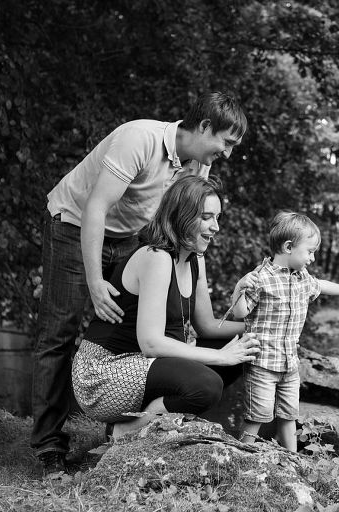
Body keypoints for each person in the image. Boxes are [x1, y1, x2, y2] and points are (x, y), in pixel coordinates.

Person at [31, 92, 247, 474]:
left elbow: (181, 216)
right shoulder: (140, 139)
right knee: (59, 333)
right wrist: (96, 281)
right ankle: (49, 446)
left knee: (139, 322)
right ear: (204, 127)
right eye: (226, 143)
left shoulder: (197, 167)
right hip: (75, 224)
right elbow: (96, 207)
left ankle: (133, 420)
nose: (227, 154)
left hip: (127, 235)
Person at [71, 175, 260, 444]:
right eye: (206, 217)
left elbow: (206, 325)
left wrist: (259, 329)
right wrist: (220, 356)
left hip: (145, 366)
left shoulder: (195, 260)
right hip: (104, 374)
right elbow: (151, 343)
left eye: (218, 217)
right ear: (181, 215)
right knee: (206, 385)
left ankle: (158, 421)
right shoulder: (156, 257)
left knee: (244, 348)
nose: (216, 227)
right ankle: (129, 431)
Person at [229, 212, 339, 451]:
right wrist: (238, 289)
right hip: (262, 364)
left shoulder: (302, 278)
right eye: (310, 251)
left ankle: (292, 460)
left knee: (288, 414)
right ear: (288, 247)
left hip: (290, 364)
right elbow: (240, 313)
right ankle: (240, 456)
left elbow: (321, 285)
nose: (313, 258)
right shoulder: (261, 278)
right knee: (258, 415)